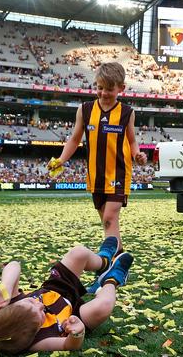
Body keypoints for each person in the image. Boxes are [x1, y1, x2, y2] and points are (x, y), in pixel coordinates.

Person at [48, 62, 147, 253]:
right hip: (96, 175)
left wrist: (137, 155)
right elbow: (75, 139)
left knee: (110, 218)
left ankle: (110, 262)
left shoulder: (127, 113)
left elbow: (132, 141)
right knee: (108, 223)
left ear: (121, 88)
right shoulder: (84, 110)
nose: (103, 93)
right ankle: (119, 257)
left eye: (109, 89)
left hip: (118, 174)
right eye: (99, 88)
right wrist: (60, 160)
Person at [0, 239, 132, 354]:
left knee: (78, 253)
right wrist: (77, 333)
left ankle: (103, 263)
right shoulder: (38, 342)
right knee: (104, 305)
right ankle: (112, 279)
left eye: (32, 302)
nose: (41, 305)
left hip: (55, 288)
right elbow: (68, 345)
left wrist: (6, 289)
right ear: (33, 334)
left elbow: (14, 265)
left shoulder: (9, 308)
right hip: (73, 314)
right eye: (40, 314)